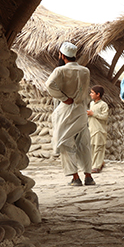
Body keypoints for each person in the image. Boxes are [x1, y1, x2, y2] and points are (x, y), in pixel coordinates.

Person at [45, 42, 95, 186]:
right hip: (81, 109)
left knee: (64, 142)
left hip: (66, 110)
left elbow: (49, 85)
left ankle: (75, 177)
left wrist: (64, 98)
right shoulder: (85, 71)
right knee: (84, 142)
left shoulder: (59, 71)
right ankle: (88, 176)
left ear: (62, 55)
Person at [86, 85, 109, 173]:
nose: (90, 94)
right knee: (92, 147)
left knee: (99, 148)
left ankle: (97, 166)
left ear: (98, 94)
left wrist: (93, 114)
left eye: (92, 92)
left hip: (99, 130)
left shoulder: (103, 105)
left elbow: (105, 117)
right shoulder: (92, 104)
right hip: (92, 129)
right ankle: (95, 164)